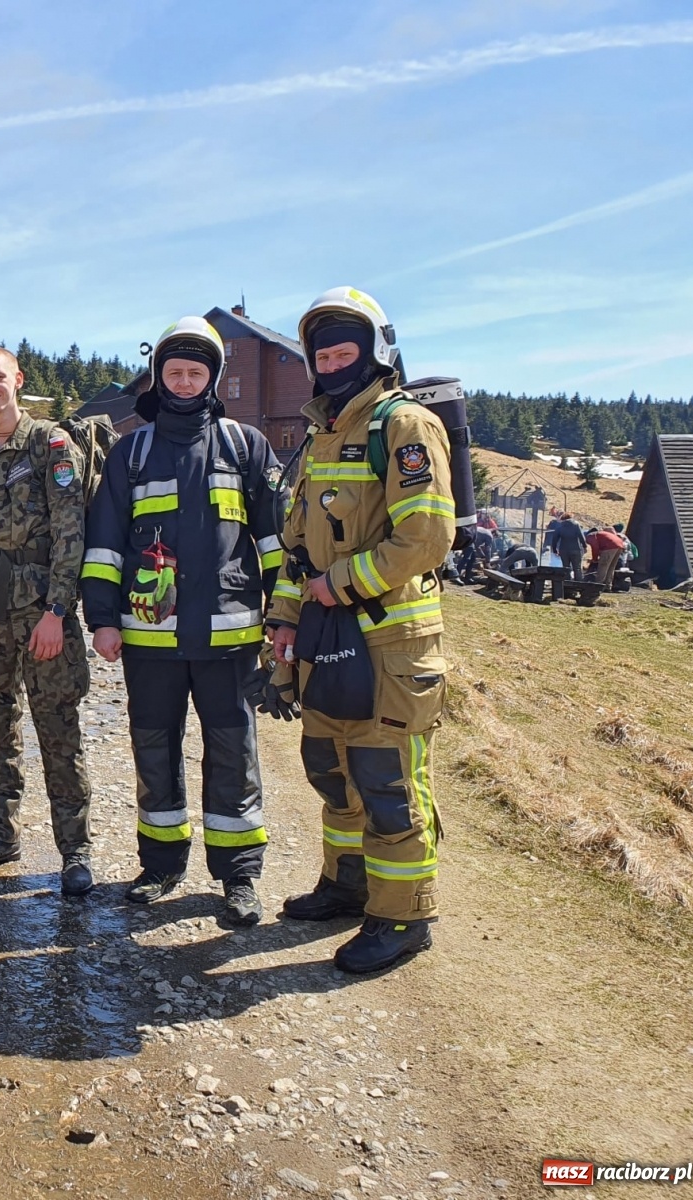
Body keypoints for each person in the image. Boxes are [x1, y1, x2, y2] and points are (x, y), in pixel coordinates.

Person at [267, 287, 455, 974]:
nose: (332, 366)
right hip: (325, 641)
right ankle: (347, 886)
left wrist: (339, 584)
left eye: (344, 353)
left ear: (375, 353)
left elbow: (425, 539)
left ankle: (403, 917)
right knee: (332, 770)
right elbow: (298, 550)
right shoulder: (322, 436)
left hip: (392, 648)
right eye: (322, 357)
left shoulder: (403, 426)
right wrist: (285, 620)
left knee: (387, 782)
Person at [81, 317, 280, 925]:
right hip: (151, 639)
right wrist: (102, 619)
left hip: (230, 638)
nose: (186, 382)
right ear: (158, 378)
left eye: (196, 372)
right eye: (175, 372)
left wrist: (285, 618)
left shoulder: (247, 447)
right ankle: (161, 865)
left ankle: (239, 876)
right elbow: (104, 545)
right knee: (154, 749)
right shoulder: (131, 452)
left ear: (212, 379)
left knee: (233, 753)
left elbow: (276, 544)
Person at [0, 346, 93, 895]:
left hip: (42, 606)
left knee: (57, 724)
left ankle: (75, 850)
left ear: (18, 380)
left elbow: (71, 532)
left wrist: (57, 610)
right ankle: (1, 834)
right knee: (0, 719)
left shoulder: (51, 443)